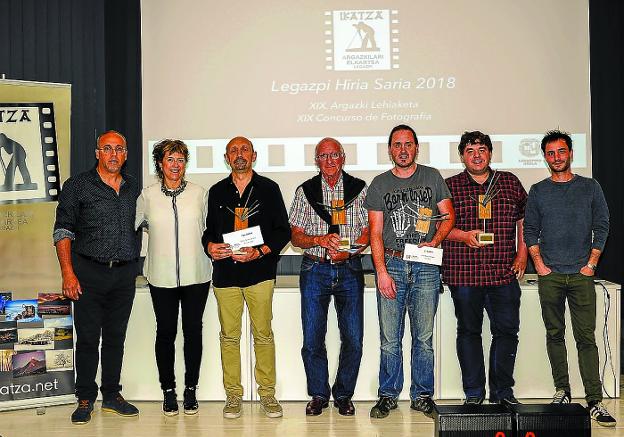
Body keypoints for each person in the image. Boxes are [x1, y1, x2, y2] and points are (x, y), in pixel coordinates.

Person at [524, 129, 615, 427]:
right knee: (554, 335)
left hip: (581, 275)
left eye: (561, 151)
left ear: (571, 153)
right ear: (545, 157)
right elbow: (530, 230)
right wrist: (539, 264)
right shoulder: (538, 190)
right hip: (550, 275)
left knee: (585, 338)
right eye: (550, 153)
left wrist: (591, 264)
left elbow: (602, 225)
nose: (556, 157)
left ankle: (593, 400)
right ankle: (562, 390)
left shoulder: (590, 187)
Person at [364, 124, 455, 418]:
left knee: (424, 337)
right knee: (390, 338)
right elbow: (375, 233)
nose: (403, 150)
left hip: (426, 265)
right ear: (390, 150)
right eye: (397, 145)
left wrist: (435, 241)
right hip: (392, 263)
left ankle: (422, 395)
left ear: (417, 148)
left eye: (408, 144)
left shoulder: (432, 177)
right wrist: (381, 271)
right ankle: (388, 395)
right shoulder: (379, 184)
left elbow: (449, 216)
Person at [53, 130, 140, 424]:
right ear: (97, 153)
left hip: (124, 274)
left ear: (126, 154)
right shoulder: (77, 186)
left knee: (116, 338)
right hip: (87, 272)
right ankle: (85, 398)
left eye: (119, 149)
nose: (114, 154)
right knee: (89, 339)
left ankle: (112, 395)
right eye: (108, 149)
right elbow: (62, 230)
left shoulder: (133, 188)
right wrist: (68, 273)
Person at [201, 136, 290, 419]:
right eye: (233, 151)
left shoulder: (269, 189)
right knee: (229, 337)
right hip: (225, 276)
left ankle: (267, 394)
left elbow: (282, 232)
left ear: (254, 155)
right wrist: (209, 246)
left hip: (260, 274)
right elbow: (208, 232)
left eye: (244, 150)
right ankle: (233, 396)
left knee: (263, 335)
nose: (239, 155)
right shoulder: (216, 191)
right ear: (227, 158)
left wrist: (260, 251)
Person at [442, 131, 527, 405]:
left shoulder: (509, 182)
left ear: (490, 153)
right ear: (462, 156)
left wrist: (522, 254)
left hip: (503, 272)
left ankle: (503, 392)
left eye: (481, 149)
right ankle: (474, 394)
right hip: (464, 273)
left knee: (506, 333)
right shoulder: (450, 186)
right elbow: (437, 226)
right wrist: (464, 236)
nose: (476, 155)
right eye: (470, 150)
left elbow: (526, 219)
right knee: (469, 333)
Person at [289, 137, 369, 416]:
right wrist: (319, 239)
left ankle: (344, 394)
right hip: (315, 269)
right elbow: (296, 237)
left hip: (350, 268)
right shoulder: (305, 191)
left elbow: (369, 231)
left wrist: (349, 252)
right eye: (323, 156)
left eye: (334, 155)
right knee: (312, 338)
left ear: (343, 157)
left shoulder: (359, 189)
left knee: (354, 338)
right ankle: (319, 394)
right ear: (317, 161)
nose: (330, 161)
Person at [136, 139, 212, 416]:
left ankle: (190, 389)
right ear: (160, 163)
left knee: (193, 331)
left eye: (180, 160)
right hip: (161, 277)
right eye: (170, 159)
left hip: (197, 275)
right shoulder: (147, 196)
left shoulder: (199, 194)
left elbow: (210, 231)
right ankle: (168, 391)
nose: (175, 165)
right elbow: (132, 227)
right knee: (166, 332)